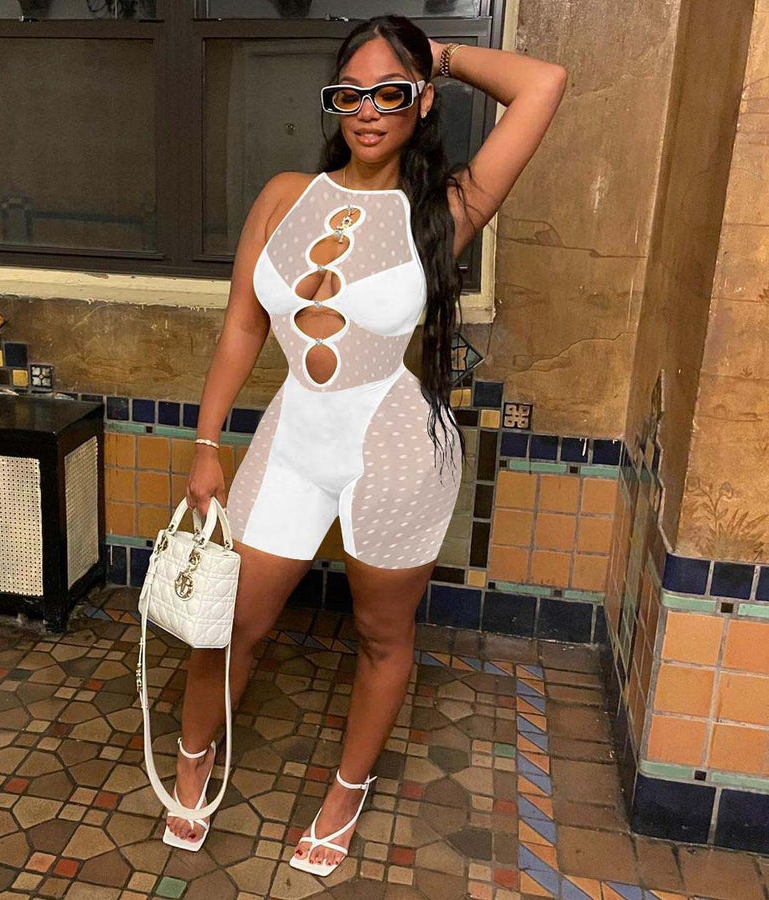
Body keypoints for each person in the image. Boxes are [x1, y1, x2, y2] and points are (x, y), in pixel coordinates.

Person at [163, 12, 566, 877]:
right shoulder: (284, 195)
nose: (369, 110)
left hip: (393, 453)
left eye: (390, 92)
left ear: (421, 101)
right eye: (351, 93)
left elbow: (544, 84)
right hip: (291, 438)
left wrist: (436, 56)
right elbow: (242, 327)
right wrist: (205, 442)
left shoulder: (446, 207)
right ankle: (193, 760)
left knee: (381, 636)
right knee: (228, 624)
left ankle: (346, 792)